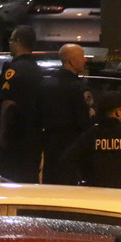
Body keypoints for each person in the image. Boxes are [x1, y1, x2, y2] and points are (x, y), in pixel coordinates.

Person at [60, 90, 121, 190]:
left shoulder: (89, 136)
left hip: (95, 197)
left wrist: (84, 180)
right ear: (118, 112)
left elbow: (68, 159)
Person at [41, 43, 95, 184]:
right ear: (72, 61)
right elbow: (86, 120)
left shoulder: (47, 84)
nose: (85, 60)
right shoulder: (79, 87)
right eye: (82, 57)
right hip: (72, 144)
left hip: (50, 144)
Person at [0, 24, 44, 182]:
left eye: (11, 41)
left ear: (17, 42)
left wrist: (3, 135)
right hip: (34, 138)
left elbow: (7, 104)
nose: (9, 44)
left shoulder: (13, 69)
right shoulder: (38, 70)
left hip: (15, 139)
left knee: (10, 182)